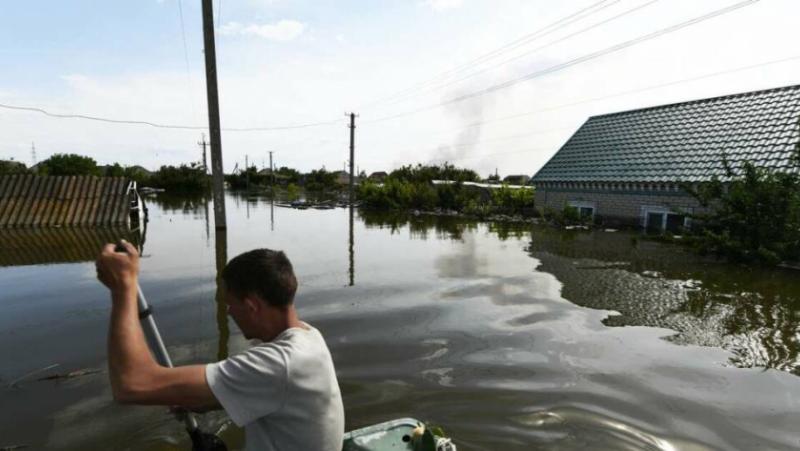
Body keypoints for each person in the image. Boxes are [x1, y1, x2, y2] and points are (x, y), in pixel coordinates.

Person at [96, 242, 345, 451]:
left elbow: (132, 384)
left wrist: (123, 288)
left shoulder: (280, 364)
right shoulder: (309, 337)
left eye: (230, 304)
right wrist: (198, 398)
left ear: (252, 306)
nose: (228, 312)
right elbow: (266, 390)